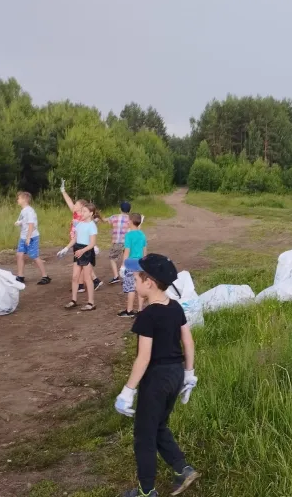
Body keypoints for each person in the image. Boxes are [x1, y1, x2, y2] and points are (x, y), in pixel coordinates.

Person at [114, 253, 200, 497]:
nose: (133, 282)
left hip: (156, 380)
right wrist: (189, 374)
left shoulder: (148, 315)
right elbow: (188, 342)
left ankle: (146, 491)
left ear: (149, 282)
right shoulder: (175, 307)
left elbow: (144, 357)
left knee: (144, 435)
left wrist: (128, 391)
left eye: (136, 278)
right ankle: (182, 469)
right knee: (158, 424)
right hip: (175, 375)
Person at [59, 179, 102, 292]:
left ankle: (89, 282)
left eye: (76, 204)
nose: (74, 205)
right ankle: (85, 284)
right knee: (81, 263)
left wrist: (94, 245)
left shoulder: (83, 216)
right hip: (76, 241)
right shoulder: (76, 213)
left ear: (82, 206)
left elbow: (90, 229)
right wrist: (63, 191)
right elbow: (69, 202)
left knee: (82, 263)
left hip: (82, 242)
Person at [64, 200, 98, 311]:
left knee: (87, 278)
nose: (82, 213)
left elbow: (92, 243)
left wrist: (82, 251)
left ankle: (91, 303)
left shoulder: (92, 226)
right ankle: (73, 300)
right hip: (78, 250)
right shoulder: (79, 224)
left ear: (91, 213)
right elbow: (75, 239)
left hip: (86, 252)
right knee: (75, 277)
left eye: (84, 211)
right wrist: (66, 248)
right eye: (81, 211)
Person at [15, 191, 51, 285]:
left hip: (31, 237)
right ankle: (20, 276)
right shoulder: (23, 210)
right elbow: (23, 220)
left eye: (19, 198)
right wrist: (19, 223)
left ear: (24, 200)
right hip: (23, 237)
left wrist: (28, 237)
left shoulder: (29, 211)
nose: (17, 200)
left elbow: (31, 224)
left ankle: (45, 276)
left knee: (34, 256)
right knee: (19, 254)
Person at [117, 213, 147, 318]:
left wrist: (123, 265)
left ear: (130, 222)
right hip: (140, 263)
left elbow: (127, 252)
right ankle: (140, 310)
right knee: (139, 286)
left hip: (130, 264)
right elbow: (144, 250)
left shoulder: (129, 235)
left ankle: (129, 310)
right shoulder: (142, 234)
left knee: (131, 288)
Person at [107, 201, 133, 285]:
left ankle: (116, 276)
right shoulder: (131, 219)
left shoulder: (114, 217)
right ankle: (126, 275)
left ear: (120, 209)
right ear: (130, 210)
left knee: (112, 258)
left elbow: (106, 220)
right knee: (127, 258)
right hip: (128, 242)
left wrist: (99, 217)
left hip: (117, 241)